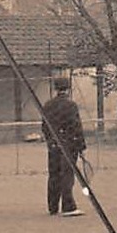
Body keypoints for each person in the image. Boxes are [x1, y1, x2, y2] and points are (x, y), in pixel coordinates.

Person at [40, 76, 86, 216]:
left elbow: (44, 127)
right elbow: (75, 126)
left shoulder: (47, 105)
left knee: (54, 174)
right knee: (67, 174)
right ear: (68, 88)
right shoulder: (70, 105)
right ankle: (68, 206)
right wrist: (81, 145)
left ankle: (53, 207)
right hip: (69, 144)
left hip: (53, 145)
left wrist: (50, 141)